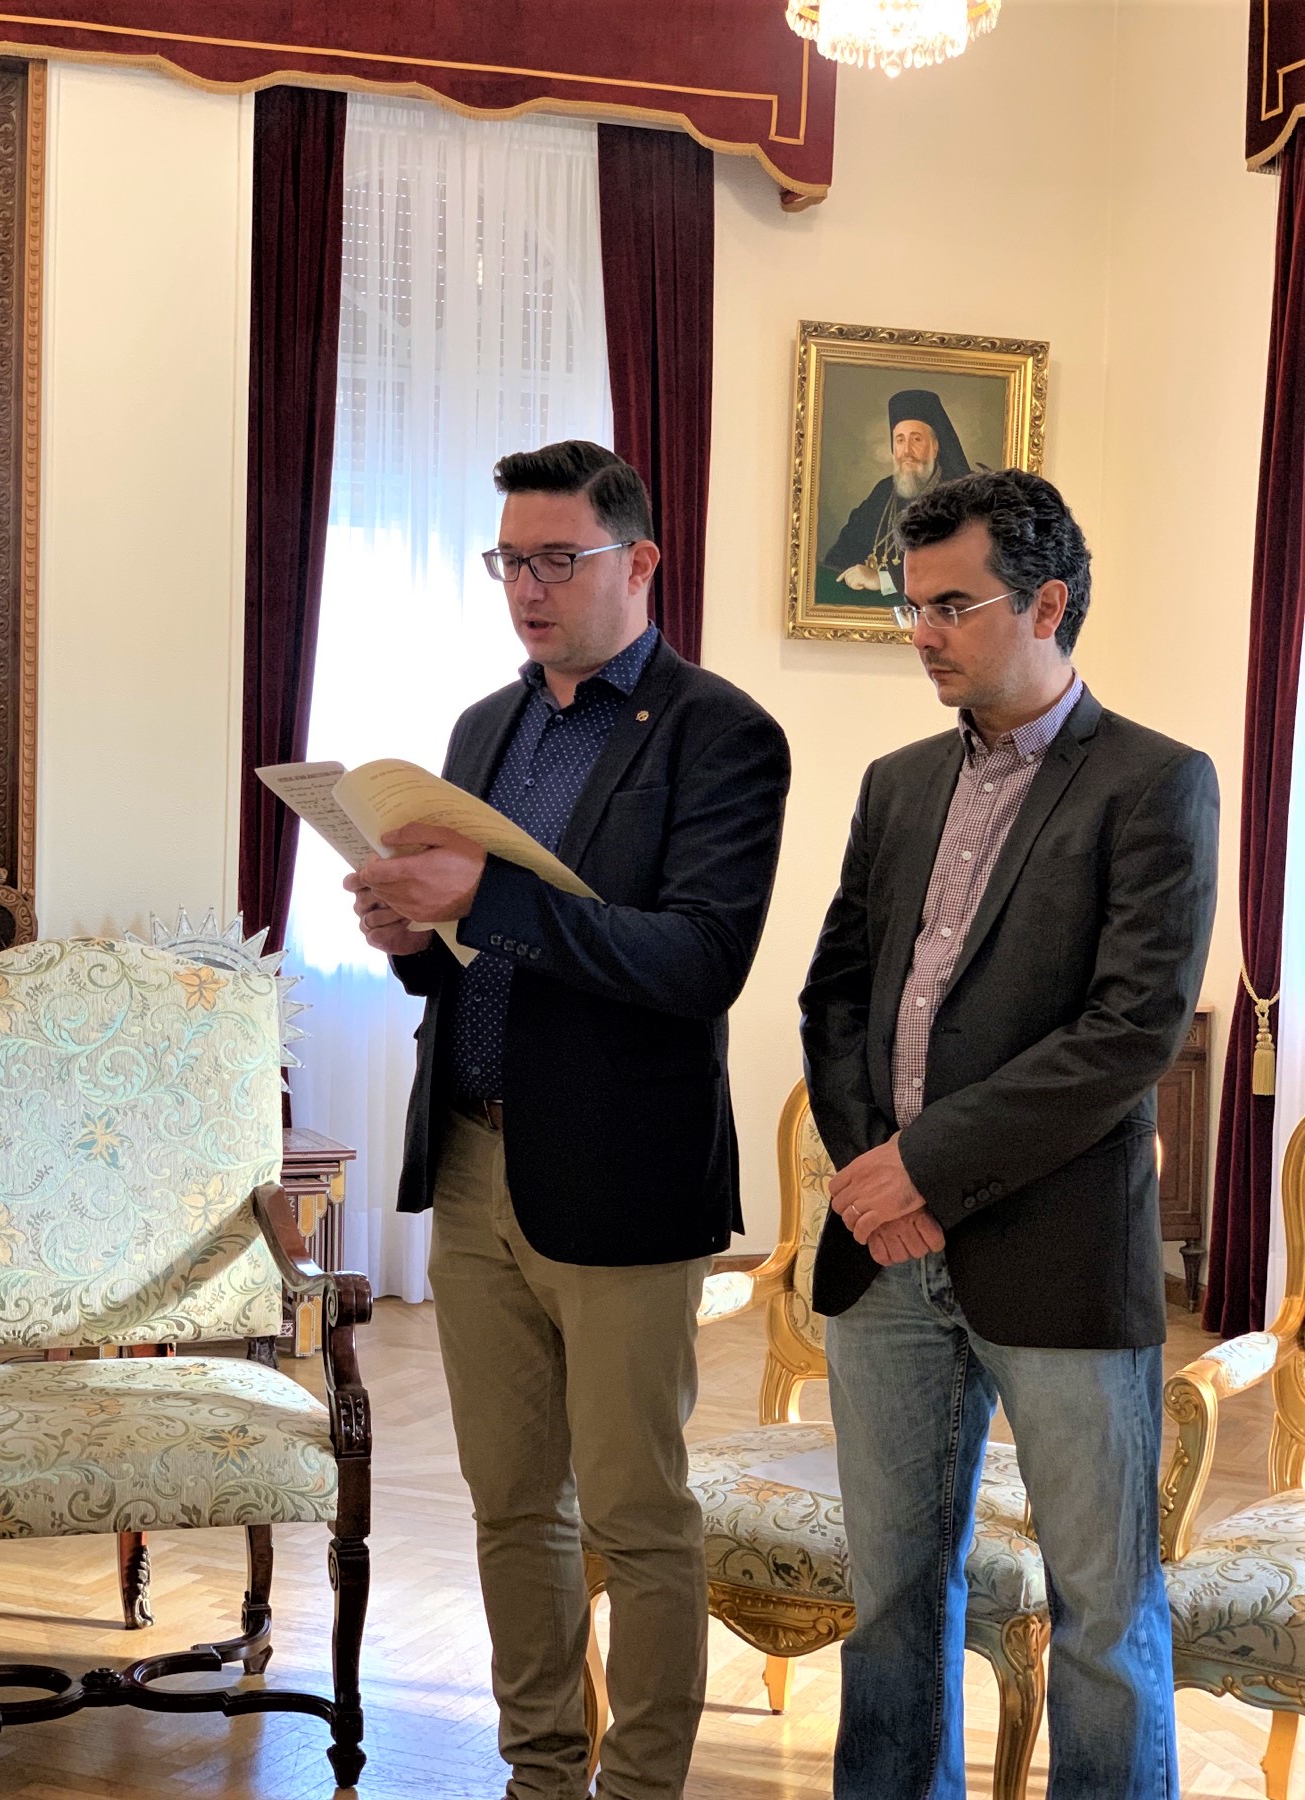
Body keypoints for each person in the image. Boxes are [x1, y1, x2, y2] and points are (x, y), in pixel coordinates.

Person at [345, 439, 790, 1800]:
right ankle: (541, 1772)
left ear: (638, 562)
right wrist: (409, 937)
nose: (527, 589)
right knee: (510, 1506)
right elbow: (475, 960)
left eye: (557, 560)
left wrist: (484, 899)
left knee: (636, 1513)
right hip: (474, 1159)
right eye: (509, 562)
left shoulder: (720, 734)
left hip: (621, 1173)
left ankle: (641, 1786)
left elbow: (698, 960)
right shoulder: (486, 728)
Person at [800, 468, 1218, 1800]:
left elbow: (1127, 1034)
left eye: (951, 606)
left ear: (1046, 603)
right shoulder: (896, 783)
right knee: (890, 1598)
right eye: (910, 605)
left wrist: (920, 1169)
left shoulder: (1156, 782)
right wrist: (875, 1180)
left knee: (1101, 1614)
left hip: (1057, 1254)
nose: (921, 633)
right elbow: (834, 998)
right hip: (885, 1261)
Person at [824, 388, 971, 596]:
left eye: (916, 439)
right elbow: (845, 547)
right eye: (900, 440)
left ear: (935, 447)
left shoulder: (959, 497)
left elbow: (956, 568)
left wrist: (884, 580)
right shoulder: (884, 491)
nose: (907, 451)